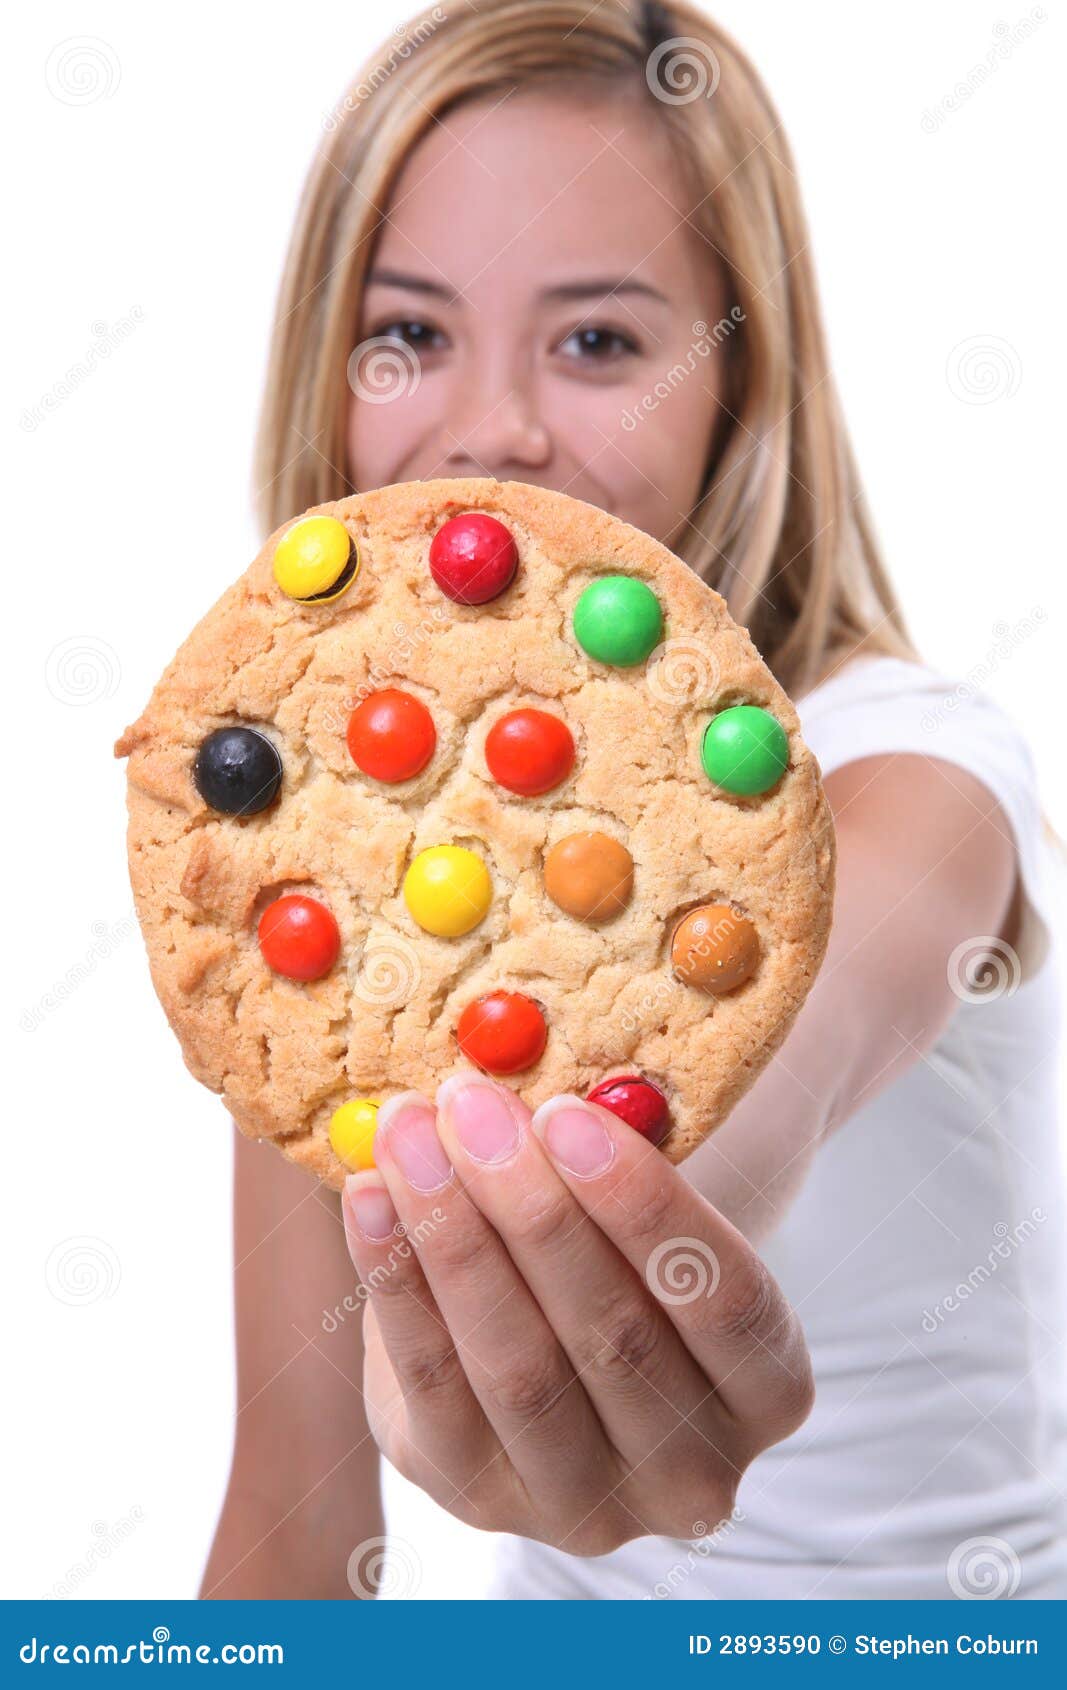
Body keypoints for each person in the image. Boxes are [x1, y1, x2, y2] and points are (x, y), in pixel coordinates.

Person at [201, 0, 1064, 1600]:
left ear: (743, 377)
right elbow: (297, 1530)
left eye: (599, 339)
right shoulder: (308, 909)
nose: (495, 427)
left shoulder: (919, 762)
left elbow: (793, 1026)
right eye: (408, 331)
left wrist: (632, 1240)